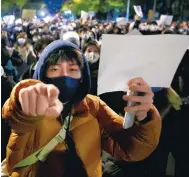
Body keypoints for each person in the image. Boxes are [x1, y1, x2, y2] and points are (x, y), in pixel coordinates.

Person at [2, 40, 161, 177]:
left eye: (72, 70)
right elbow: (17, 114)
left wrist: (144, 117)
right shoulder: (33, 109)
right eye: (55, 69)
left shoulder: (93, 107)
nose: (64, 76)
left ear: (82, 77)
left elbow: (131, 148)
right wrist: (24, 101)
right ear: (43, 73)